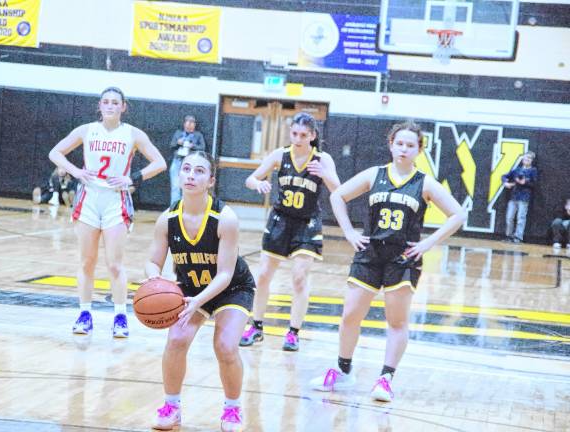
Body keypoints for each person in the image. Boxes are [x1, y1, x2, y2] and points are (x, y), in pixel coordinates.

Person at [310, 121, 466, 402]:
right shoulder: (375, 174)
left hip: (402, 258)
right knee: (350, 315)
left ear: (419, 150)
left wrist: (429, 242)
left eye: (410, 145)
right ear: (391, 144)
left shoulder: (424, 182)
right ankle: (343, 370)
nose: (404, 149)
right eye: (399, 143)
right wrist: (347, 231)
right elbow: (338, 195)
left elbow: (457, 215)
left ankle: (385, 378)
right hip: (369, 253)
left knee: (396, 321)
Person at [145, 151, 255, 431]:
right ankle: (171, 406)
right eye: (186, 169)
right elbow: (152, 261)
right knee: (177, 339)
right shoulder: (167, 219)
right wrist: (154, 279)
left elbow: (226, 274)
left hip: (231, 288)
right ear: (179, 175)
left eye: (199, 171)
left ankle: (232, 409)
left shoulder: (224, 218)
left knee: (226, 345)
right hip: (190, 287)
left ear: (210, 181)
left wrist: (198, 302)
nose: (191, 175)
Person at [48, 87, 166, 338]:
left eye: (115, 102)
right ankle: (84, 313)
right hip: (89, 199)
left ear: (123, 107)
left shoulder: (133, 134)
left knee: (114, 264)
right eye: (106, 102)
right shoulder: (86, 130)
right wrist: (75, 171)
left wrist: (132, 178)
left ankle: (121, 317)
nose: (110, 106)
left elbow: (160, 163)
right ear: (99, 106)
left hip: (116, 200)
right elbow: (55, 152)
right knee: (86, 262)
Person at [239, 112, 340, 352]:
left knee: (299, 277)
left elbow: (340, 190)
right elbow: (250, 179)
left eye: (303, 135)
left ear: (313, 136)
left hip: (307, 223)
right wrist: (259, 183)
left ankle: (294, 332)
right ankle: (256, 326)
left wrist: (325, 174)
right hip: (280, 220)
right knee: (263, 275)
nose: (297, 139)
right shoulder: (280, 155)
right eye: (294, 133)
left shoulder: (322, 159)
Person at [169, 115, 206, 206]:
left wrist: (193, 146)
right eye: (187, 122)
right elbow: (171, 146)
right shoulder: (178, 133)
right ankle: (174, 208)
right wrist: (178, 143)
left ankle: (186, 207)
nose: (189, 124)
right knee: (175, 186)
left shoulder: (198, 135)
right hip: (178, 161)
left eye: (192, 122)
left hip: (190, 164)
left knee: (188, 187)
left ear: (195, 124)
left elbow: (203, 147)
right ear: (184, 123)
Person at [502, 151, 537, 243]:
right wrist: (505, 182)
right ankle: (509, 235)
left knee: (521, 218)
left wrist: (525, 182)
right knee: (509, 217)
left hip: (524, 197)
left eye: (529, 158)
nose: (526, 160)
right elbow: (504, 176)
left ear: (532, 160)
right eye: (525, 158)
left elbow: (534, 184)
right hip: (514, 196)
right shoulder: (517, 170)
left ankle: (518, 237)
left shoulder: (533, 170)